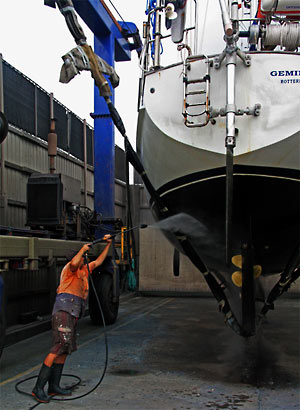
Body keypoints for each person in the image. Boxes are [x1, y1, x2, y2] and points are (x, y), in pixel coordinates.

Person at [32, 235, 112, 403]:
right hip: (64, 312)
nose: (84, 259)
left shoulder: (84, 270)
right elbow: (75, 263)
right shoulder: (70, 269)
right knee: (58, 346)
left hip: (73, 314)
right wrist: (83, 249)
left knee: (65, 349)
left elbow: (98, 261)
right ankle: (38, 388)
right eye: (82, 257)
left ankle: (54, 386)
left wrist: (108, 244)